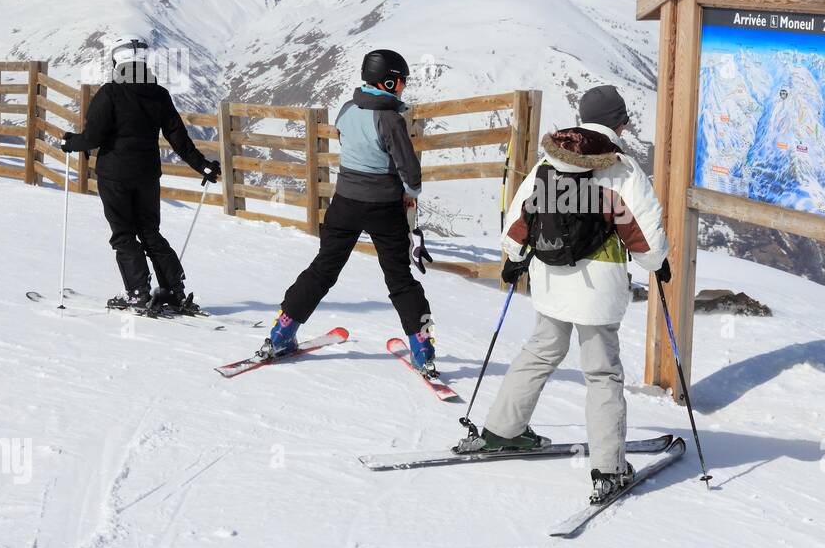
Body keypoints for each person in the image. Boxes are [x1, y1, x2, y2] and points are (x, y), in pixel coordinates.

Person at [464, 84, 670, 503]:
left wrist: (515, 256)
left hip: (551, 278)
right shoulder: (621, 168)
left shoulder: (549, 161)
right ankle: (609, 467)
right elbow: (642, 233)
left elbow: (519, 218)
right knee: (602, 372)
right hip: (600, 286)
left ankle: (502, 430)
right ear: (619, 122)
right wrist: (656, 265)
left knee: (542, 349)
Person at [260, 48, 436, 371]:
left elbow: (348, 142)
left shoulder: (346, 110)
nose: (403, 88)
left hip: (344, 205)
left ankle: (282, 331)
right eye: (400, 82)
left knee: (323, 269)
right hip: (383, 207)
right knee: (399, 278)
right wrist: (410, 194)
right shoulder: (391, 119)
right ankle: (421, 348)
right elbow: (410, 172)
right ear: (387, 83)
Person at [58, 37, 221, 311]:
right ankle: (174, 290)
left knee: (123, 234)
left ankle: (138, 292)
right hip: (147, 176)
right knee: (149, 231)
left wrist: (69, 142)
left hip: (115, 175)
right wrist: (202, 165)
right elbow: (179, 138)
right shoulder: (159, 95)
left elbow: (93, 138)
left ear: (117, 63)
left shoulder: (110, 93)